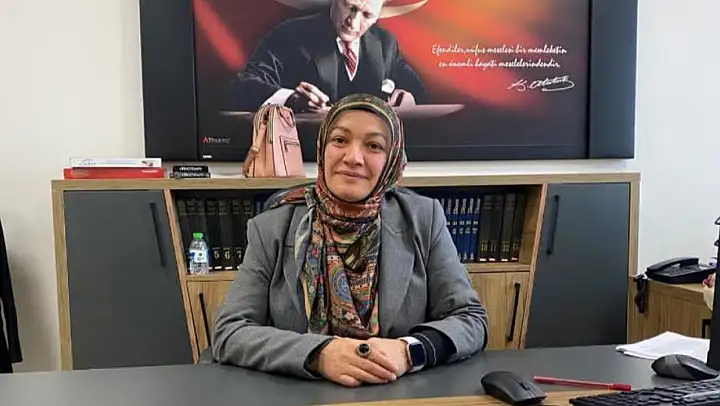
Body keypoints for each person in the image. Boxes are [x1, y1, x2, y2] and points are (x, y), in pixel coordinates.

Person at [211, 93, 487, 387]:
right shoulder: (272, 228)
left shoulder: (424, 220)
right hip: (302, 394)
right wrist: (319, 354)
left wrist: (409, 351)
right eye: (340, 140)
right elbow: (230, 331)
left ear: (392, 159)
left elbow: (470, 319)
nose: (353, 157)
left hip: (398, 392)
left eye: (374, 146)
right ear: (322, 148)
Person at [223, 0, 428, 113]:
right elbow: (242, 86)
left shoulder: (385, 43)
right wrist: (291, 99)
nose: (353, 22)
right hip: (307, 157)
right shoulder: (290, 34)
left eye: (367, 15)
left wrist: (408, 98)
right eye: (350, 7)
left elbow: (420, 93)